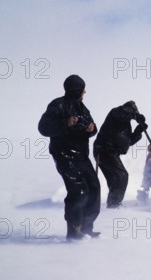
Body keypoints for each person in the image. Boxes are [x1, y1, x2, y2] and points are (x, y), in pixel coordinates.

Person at [38, 74, 101, 240]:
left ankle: (87, 227)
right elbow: (43, 128)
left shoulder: (82, 108)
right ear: (77, 90)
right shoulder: (57, 105)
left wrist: (91, 129)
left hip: (81, 155)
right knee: (78, 192)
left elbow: (93, 128)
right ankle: (75, 231)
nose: (84, 92)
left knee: (94, 188)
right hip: (64, 155)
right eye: (82, 90)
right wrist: (66, 123)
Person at [94, 101, 147, 208]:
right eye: (131, 111)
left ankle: (113, 204)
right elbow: (121, 115)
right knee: (122, 176)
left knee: (115, 179)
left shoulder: (126, 125)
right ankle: (114, 204)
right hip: (104, 150)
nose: (131, 114)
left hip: (111, 153)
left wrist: (138, 132)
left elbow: (128, 142)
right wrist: (136, 116)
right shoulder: (115, 113)